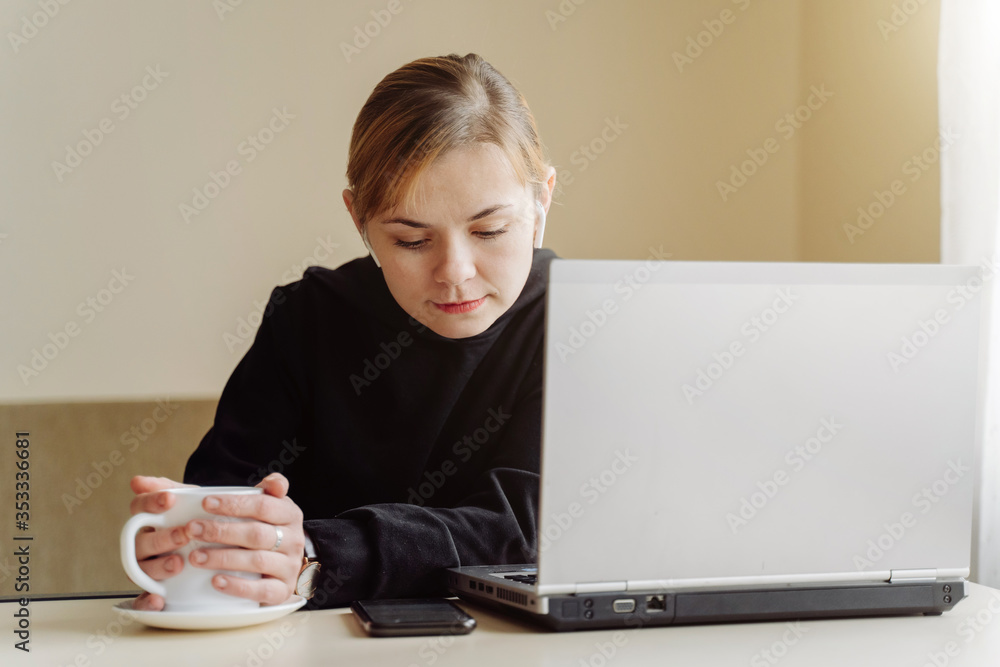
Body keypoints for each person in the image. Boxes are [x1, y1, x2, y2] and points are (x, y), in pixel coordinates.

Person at [128, 53, 558, 610]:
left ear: (541, 202)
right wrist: (191, 543)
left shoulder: (578, 323)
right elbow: (223, 497)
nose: (455, 271)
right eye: (411, 240)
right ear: (359, 220)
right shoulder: (309, 318)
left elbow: (526, 531)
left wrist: (313, 552)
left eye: (490, 229)